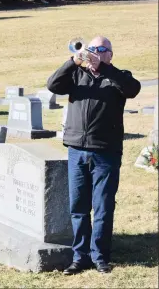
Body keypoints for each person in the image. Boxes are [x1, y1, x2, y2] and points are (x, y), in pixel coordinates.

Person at [47, 36, 141, 274]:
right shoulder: (76, 76)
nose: (94, 53)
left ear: (110, 54)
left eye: (100, 49)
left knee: (103, 207)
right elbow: (52, 85)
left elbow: (133, 89)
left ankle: (100, 256)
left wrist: (105, 69)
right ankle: (80, 256)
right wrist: (72, 61)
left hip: (105, 152)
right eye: (91, 49)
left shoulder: (118, 78)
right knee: (78, 207)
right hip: (77, 150)